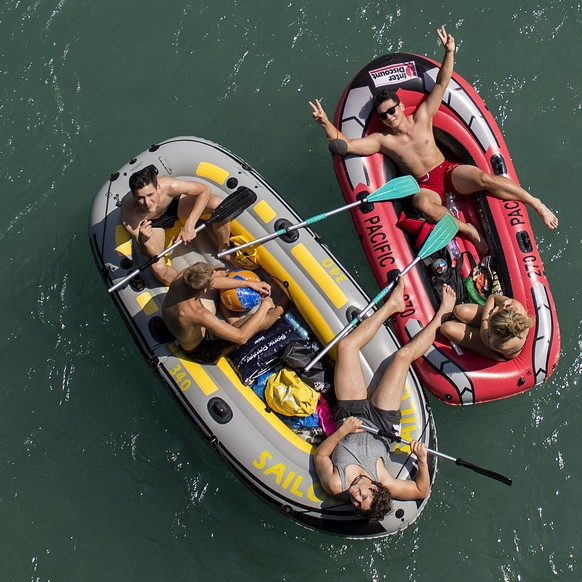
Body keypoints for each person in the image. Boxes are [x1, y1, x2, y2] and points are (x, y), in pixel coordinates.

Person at [309, 26, 558, 253]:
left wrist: (449, 51)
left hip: (446, 170)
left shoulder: (422, 116)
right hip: (425, 185)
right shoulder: (382, 140)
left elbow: (441, 82)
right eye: (383, 115)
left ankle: (536, 203)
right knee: (423, 204)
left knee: (484, 179)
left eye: (391, 110)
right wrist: (325, 123)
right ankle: (468, 230)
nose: (389, 117)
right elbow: (346, 145)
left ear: (399, 105)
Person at [314, 278, 457, 522]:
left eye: (357, 503)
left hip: (350, 417)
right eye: (363, 498)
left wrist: (341, 433)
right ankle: (439, 312)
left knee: (347, 346)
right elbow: (421, 490)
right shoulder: (385, 482)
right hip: (383, 424)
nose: (355, 497)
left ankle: (392, 306)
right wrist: (422, 460)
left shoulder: (337, 485)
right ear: (375, 489)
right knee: (402, 357)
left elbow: (320, 457)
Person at [121, 166, 231, 286]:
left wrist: (190, 224)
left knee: (218, 204)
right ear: (134, 195)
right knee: (157, 267)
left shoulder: (170, 186)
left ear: (158, 187)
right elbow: (147, 253)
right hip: (152, 224)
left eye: (150, 195)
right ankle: (186, 285)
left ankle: (224, 249)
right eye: (140, 198)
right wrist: (144, 240)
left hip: (174, 206)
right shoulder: (130, 217)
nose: (147, 203)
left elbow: (204, 190)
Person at [162, 262, 286, 364]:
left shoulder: (182, 277)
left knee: (220, 271)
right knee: (260, 320)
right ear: (204, 290)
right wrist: (264, 306)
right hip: (203, 348)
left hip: (182, 328)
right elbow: (241, 337)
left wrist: (248, 283)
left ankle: (231, 320)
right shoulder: (199, 314)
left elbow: (214, 281)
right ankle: (285, 303)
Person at [441, 294, 534, 361]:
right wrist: (484, 323)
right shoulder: (513, 306)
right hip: (495, 331)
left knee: (447, 328)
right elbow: (492, 297)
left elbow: (490, 346)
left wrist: (484, 330)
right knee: (459, 310)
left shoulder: (500, 344)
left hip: (495, 350)